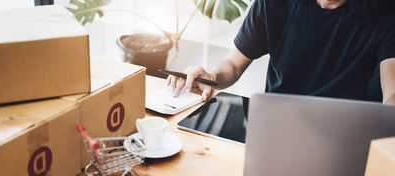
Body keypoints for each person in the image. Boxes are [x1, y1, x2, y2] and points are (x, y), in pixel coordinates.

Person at [167, 0, 395, 104]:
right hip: (278, 123)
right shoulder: (275, 4)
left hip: (342, 132)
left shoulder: (384, 13)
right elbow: (234, 65)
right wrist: (212, 76)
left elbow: (391, 92)